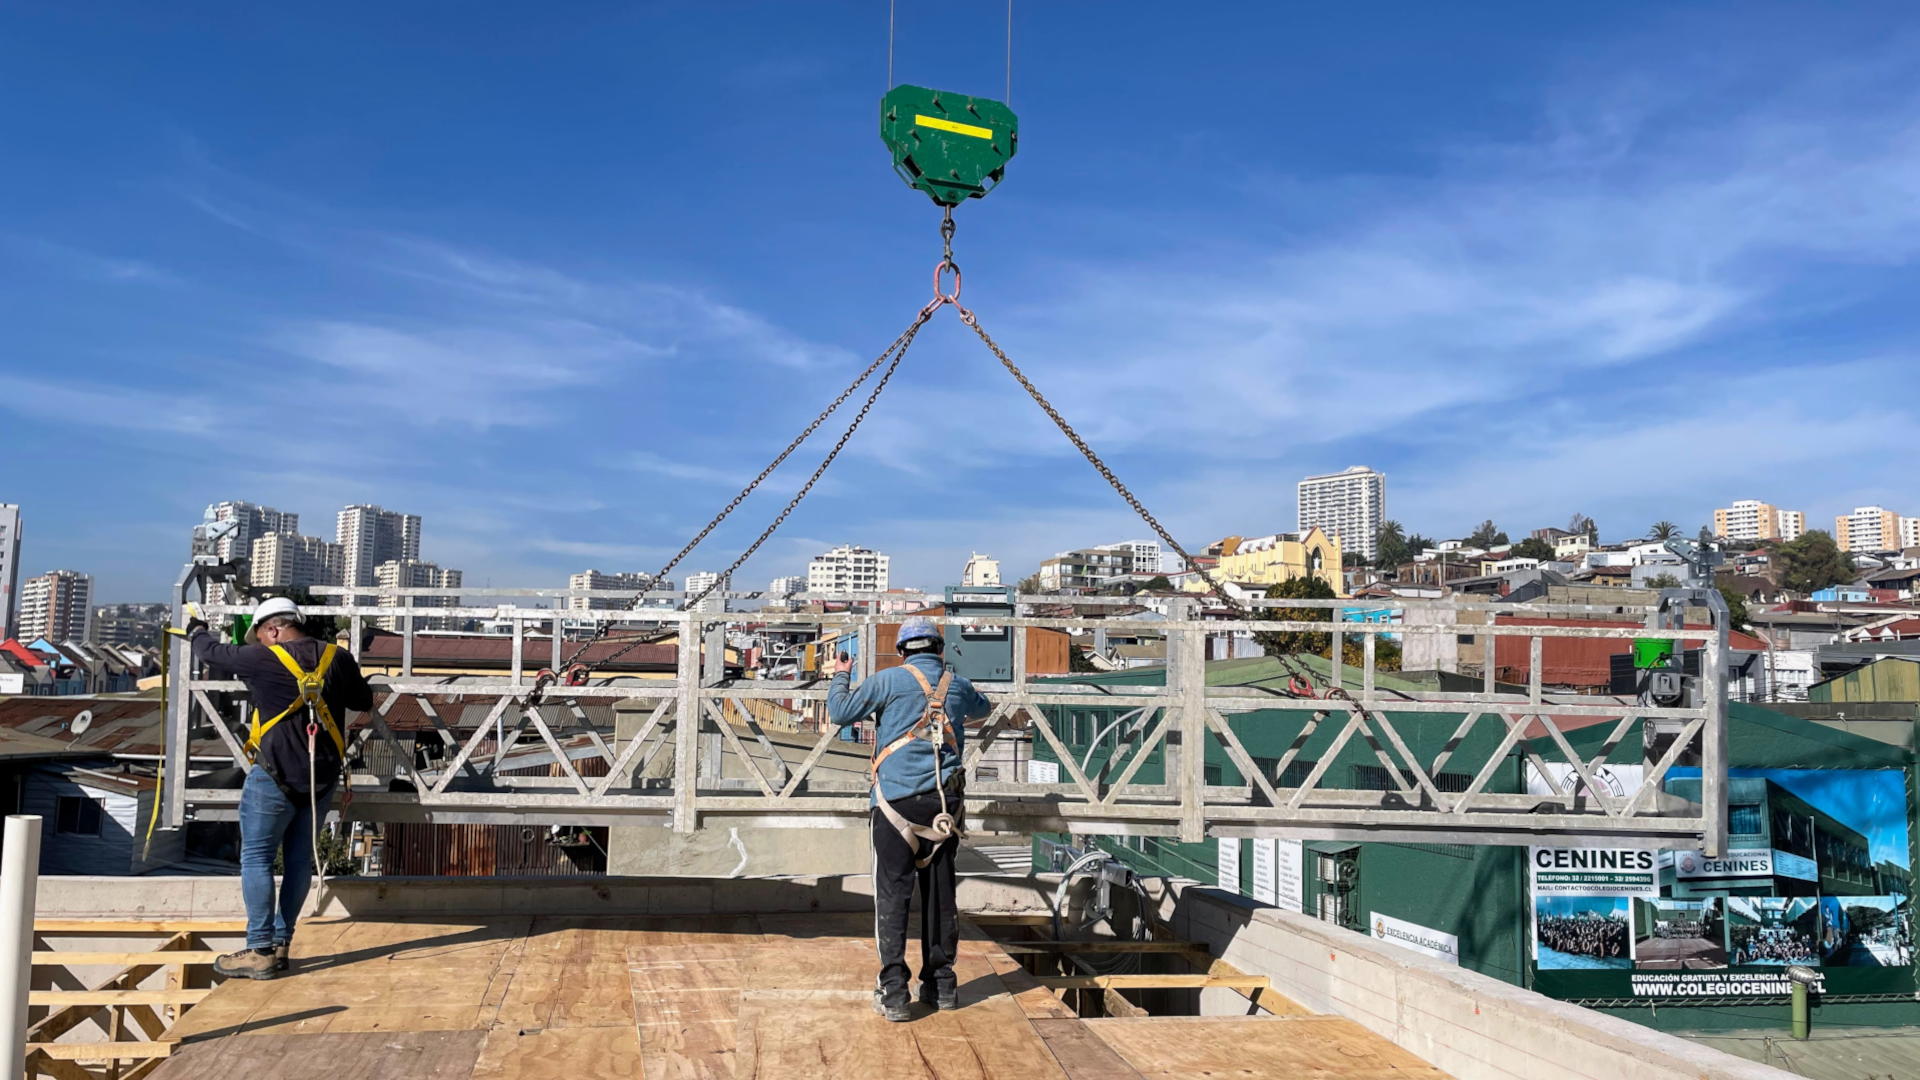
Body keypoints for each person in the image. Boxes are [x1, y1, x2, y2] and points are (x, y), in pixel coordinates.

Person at [186, 596, 372, 980]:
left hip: (274, 778)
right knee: (299, 862)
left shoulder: (263, 658)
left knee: (256, 859)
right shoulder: (337, 658)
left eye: (260, 636)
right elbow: (362, 699)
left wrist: (196, 629)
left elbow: (211, 654)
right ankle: (282, 942)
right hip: (319, 779)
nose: (259, 643)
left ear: (272, 630)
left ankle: (259, 950)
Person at [828, 617, 989, 1021]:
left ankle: (895, 993)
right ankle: (942, 986)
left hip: (894, 806)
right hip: (944, 809)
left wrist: (841, 676)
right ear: (939, 649)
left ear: (902, 652)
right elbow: (983, 709)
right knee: (940, 897)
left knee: (893, 897)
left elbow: (840, 711)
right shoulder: (958, 685)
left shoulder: (888, 680)